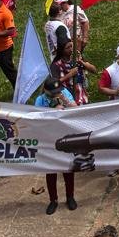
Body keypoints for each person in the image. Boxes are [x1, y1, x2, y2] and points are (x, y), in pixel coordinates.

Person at [33, 76, 77, 215]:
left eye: (58, 91)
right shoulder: (40, 100)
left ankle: (70, 197)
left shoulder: (65, 94)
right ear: (46, 90)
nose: (56, 94)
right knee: (51, 170)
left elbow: (76, 109)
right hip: (49, 139)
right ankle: (53, 200)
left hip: (65, 136)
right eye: (54, 92)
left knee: (68, 168)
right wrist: (52, 111)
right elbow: (37, 119)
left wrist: (66, 101)